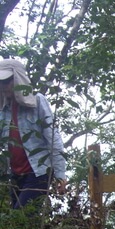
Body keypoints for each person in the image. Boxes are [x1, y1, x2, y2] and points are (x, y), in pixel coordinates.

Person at [0, 59, 66, 210]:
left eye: (7, 81)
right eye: (1, 82)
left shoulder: (37, 102)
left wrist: (60, 174)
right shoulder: (3, 110)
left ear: (17, 79)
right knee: (21, 224)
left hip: (38, 172)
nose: (4, 86)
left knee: (19, 217)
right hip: (15, 174)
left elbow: (52, 138)